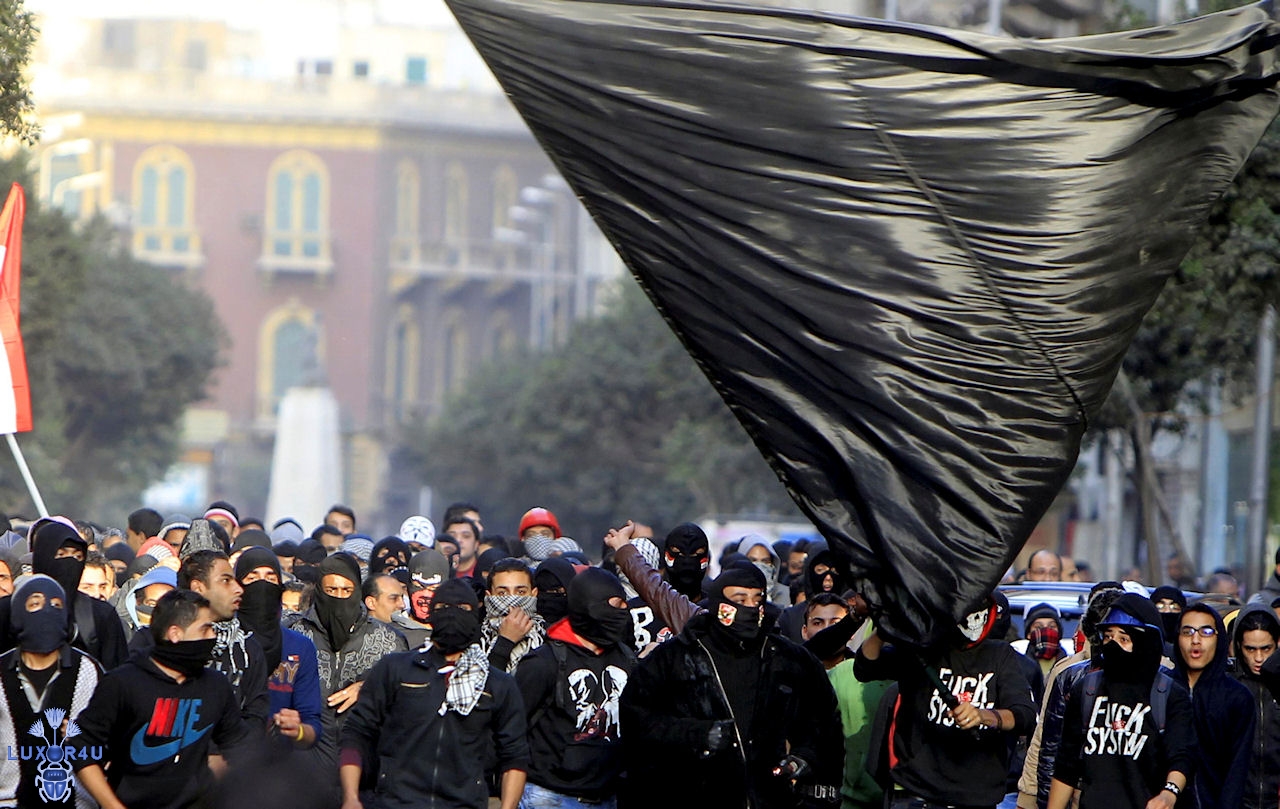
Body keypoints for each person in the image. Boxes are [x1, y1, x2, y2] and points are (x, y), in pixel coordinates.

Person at [621, 565, 843, 809]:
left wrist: (803, 758)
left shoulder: (789, 659)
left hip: (772, 797)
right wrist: (697, 734)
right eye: (740, 599)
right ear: (719, 603)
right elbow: (636, 720)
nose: (750, 607)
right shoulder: (674, 658)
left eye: (757, 599)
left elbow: (824, 720)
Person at [338, 579, 529, 809]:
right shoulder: (396, 669)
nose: (452, 615)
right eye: (443, 608)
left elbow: (514, 755)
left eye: (463, 609)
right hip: (396, 802)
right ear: (431, 614)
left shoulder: (496, 683)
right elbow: (357, 732)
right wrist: (351, 797)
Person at [68, 589, 253, 809]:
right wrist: (112, 806)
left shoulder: (215, 685)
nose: (213, 636)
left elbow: (240, 747)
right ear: (175, 634)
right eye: (205, 629)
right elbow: (81, 747)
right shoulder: (123, 683)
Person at [855, 594, 1037, 809]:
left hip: (975, 796)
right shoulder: (923, 650)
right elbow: (865, 668)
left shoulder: (1000, 655)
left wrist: (984, 716)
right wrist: (883, 629)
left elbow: (1024, 715)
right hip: (918, 793)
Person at [1047, 593, 1196, 809]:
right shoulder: (1086, 690)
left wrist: (1169, 794)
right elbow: (1066, 766)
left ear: (1145, 641)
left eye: (1124, 639)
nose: (1113, 645)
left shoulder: (1169, 694)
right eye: (1108, 637)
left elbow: (1182, 756)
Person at [285, 552, 407, 789]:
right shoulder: (295, 634)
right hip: (303, 777)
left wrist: (370, 687)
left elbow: (405, 699)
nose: (339, 598)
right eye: (331, 590)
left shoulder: (390, 641)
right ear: (320, 591)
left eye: (346, 591)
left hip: (366, 776)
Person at [515, 567, 634, 808]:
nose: (623, 612)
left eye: (624, 605)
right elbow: (511, 728)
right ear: (589, 606)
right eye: (615, 605)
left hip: (607, 797)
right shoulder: (543, 662)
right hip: (550, 797)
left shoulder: (627, 659)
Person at [0, 575, 102, 808]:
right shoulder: (1, 671)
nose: (47, 611)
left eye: (56, 605)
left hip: (76, 803)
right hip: (9, 802)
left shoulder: (88, 670)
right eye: (35, 604)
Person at [0, 519, 129, 670]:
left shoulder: (100, 614)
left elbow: (116, 672)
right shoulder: (7, 610)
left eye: (77, 556)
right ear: (42, 556)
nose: (69, 563)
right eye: (61, 554)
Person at [801, 592, 888, 809]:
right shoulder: (801, 670)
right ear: (804, 630)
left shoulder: (863, 674)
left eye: (835, 623)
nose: (826, 629)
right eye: (818, 622)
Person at [234, 547, 322, 750]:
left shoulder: (300, 647)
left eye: (270, 578)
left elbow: (312, 724)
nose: (262, 585)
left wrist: (297, 730)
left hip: (276, 761)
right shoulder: (221, 641)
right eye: (252, 578)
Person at [1170, 601, 1252, 809]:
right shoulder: (1162, 689)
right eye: (1187, 632)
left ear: (1219, 638)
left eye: (1206, 632)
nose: (1196, 640)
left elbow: (1238, 770)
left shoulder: (1237, 697)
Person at [178, 550, 270, 727]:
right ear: (198, 588)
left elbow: (256, 716)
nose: (238, 589)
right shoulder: (161, 640)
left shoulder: (247, 649)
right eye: (226, 581)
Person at [1229, 604, 1280, 809]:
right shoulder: (1228, 686)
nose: (1258, 658)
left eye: (1266, 649)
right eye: (1250, 649)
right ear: (1238, 646)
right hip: (1237, 800)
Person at [482, 557, 545, 673]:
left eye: (520, 592)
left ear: (534, 594)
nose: (512, 600)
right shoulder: (477, 639)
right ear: (489, 596)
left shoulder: (548, 637)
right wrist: (505, 642)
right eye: (502, 593)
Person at [659, 522, 710, 601]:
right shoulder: (649, 605)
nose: (687, 562)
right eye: (677, 552)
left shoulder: (714, 606)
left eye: (698, 553)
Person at [740, 534, 791, 607]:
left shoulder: (787, 595)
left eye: (765, 561)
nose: (759, 566)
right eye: (753, 560)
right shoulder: (732, 593)